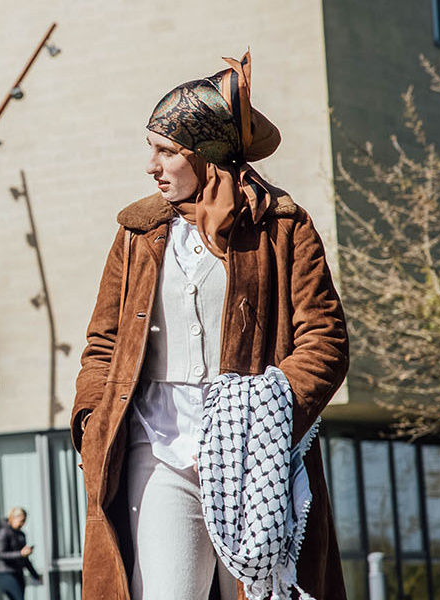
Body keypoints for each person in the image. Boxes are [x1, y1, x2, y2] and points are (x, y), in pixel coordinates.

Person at [72, 53, 349, 600]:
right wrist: (90, 418)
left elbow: (325, 341)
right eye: (150, 148)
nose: (151, 165)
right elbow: (102, 343)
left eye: (166, 150)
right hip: (157, 450)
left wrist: (262, 416)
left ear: (206, 156)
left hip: (256, 461)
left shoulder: (285, 230)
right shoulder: (137, 233)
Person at [0, 507, 42, 600]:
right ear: (13, 518)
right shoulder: (3, 532)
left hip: (18, 573)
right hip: (6, 574)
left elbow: (25, 559)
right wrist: (20, 554)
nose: (23, 524)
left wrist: (35, 575)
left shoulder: (21, 535)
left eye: (24, 521)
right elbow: (1, 554)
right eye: (21, 521)